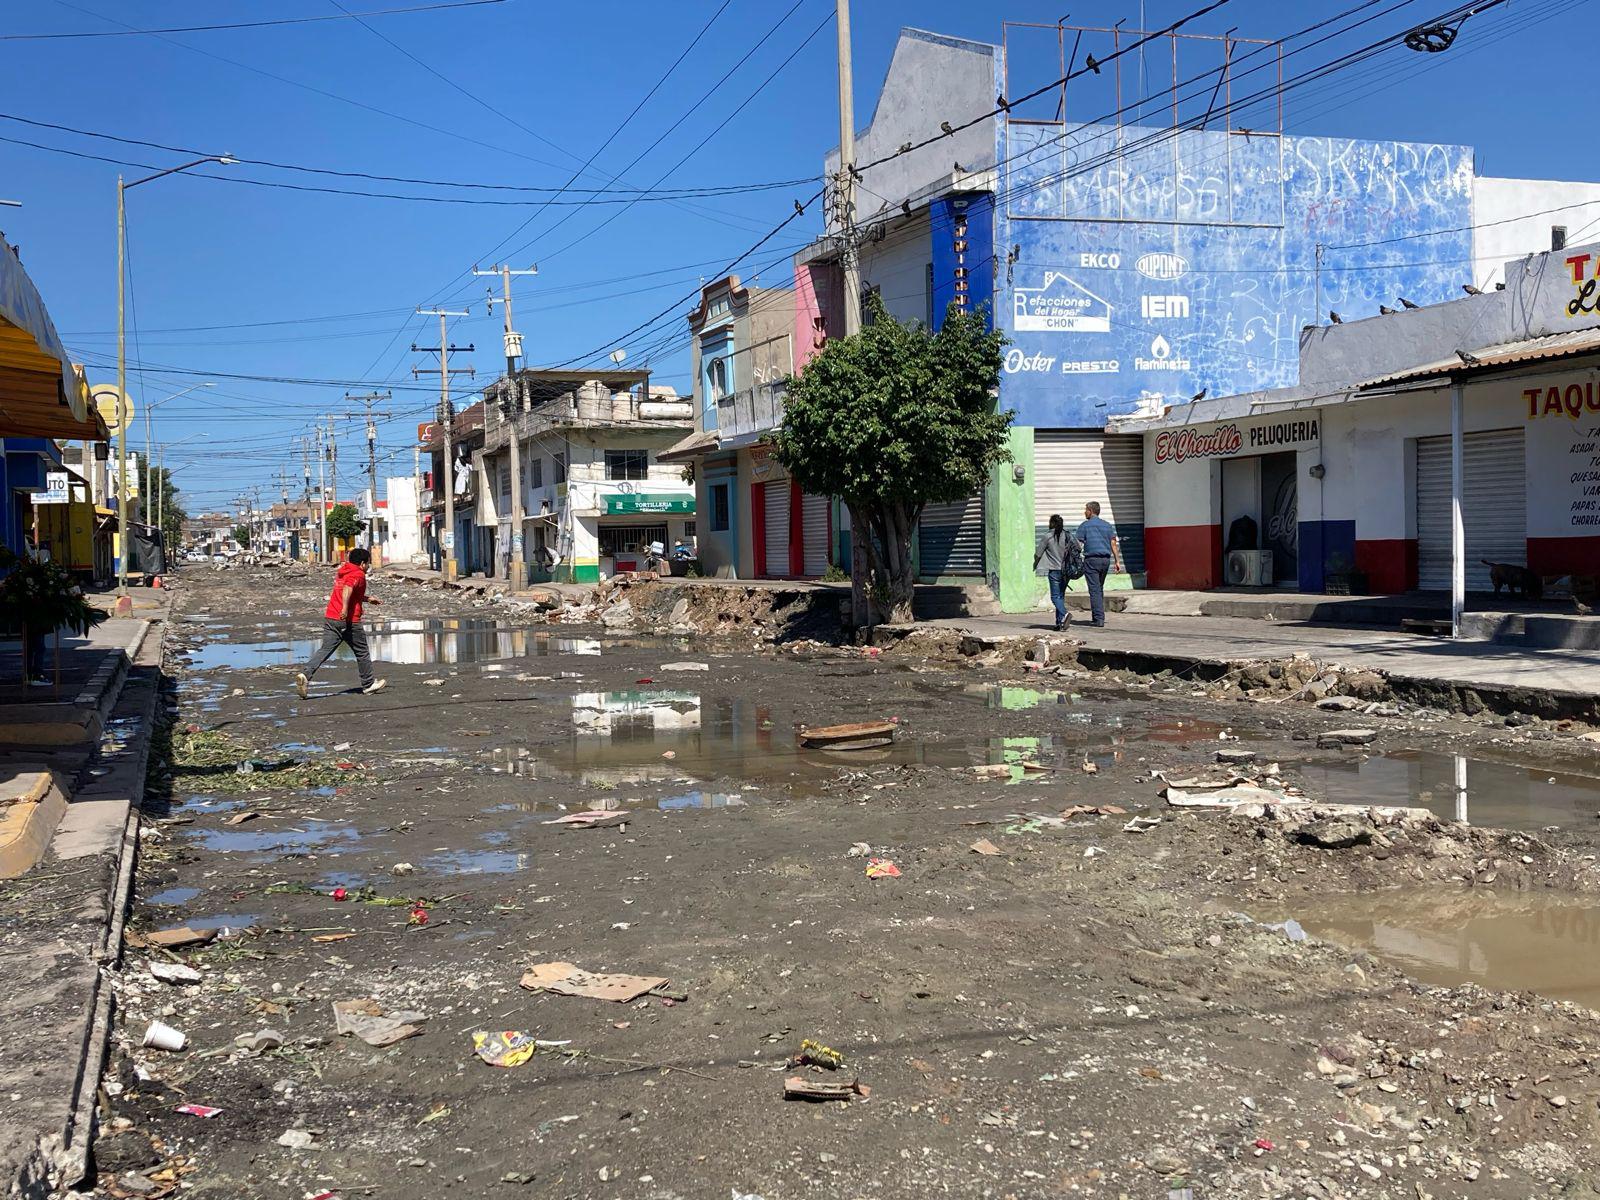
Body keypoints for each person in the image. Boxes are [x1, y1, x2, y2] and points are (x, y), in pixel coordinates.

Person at [295, 547, 386, 697]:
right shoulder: (358, 574)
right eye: (368, 563)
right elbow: (348, 589)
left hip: (331, 617)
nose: (368, 567)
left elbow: (349, 590)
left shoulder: (344, 571)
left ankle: (305, 675)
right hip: (348, 620)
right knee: (362, 652)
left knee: (325, 650)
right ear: (363, 563)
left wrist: (367, 598)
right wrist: (344, 609)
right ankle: (368, 684)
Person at [1075, 501, 1123, 628]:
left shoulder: (1085, 526)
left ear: (1090, 511)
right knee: (1099, 588)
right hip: (1105, 561)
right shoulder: (1107, 526)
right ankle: (1097, 616)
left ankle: (1098, 619)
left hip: (1092, 560)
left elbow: (1078, 545)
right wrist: (1117, 561)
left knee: (1094, 590)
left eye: (1086, 510)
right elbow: (1113, 543)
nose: (1084, 512)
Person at [1033, 513, 1076, 632]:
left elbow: (1038, 553)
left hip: (1054, 571)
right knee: (1060, 597)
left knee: (1054, 597)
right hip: (1066, 571)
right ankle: (1059, 623)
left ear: (1051, 523)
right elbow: (1078, 547)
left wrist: (1035, 563)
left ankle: (1065, 614)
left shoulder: (1048, 536)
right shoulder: (1068, 535)